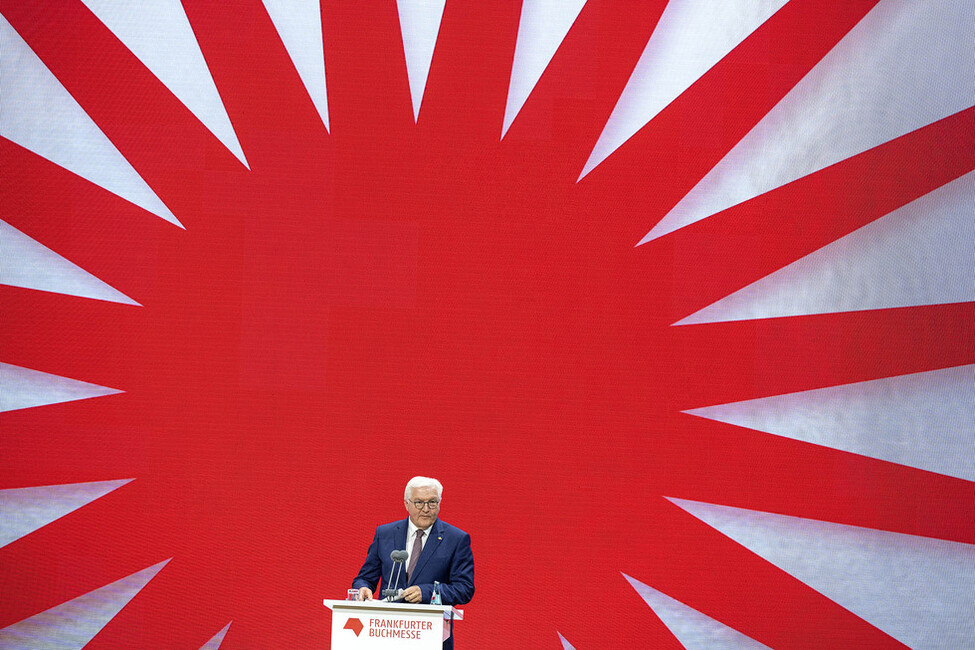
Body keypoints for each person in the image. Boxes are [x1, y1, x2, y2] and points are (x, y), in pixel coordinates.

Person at [352, 476, 474, 649]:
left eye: (432, 502)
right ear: (406, 504)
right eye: (419, 502)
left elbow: (464, 589)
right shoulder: (385, 533)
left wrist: (427, 592)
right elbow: (365, 578)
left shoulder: (456, 539)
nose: (426, 509)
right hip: (386, 632)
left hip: (430, 635)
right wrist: (362, 589)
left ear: (439, 503)